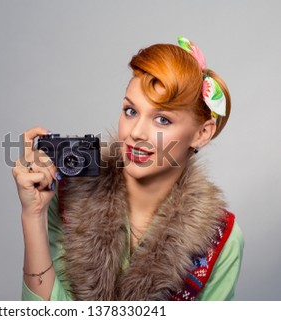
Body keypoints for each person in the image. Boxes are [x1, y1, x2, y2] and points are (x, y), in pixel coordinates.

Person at [12, 37, 244, 301]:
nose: (136, 133)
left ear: (201, 134)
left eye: (162, 119)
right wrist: (32, 215)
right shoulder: (70, 197)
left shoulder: (222, 241)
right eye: (130, 111)